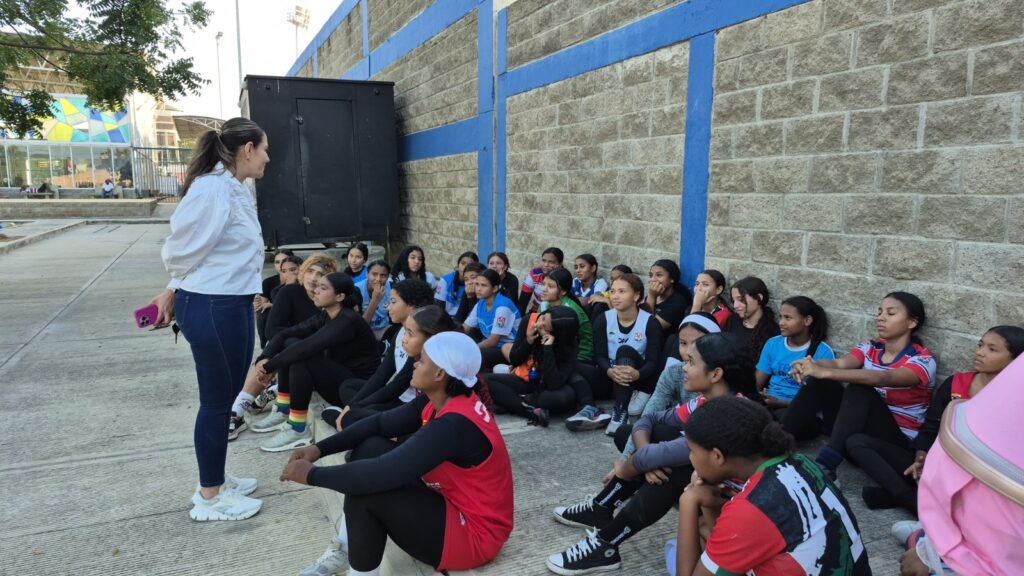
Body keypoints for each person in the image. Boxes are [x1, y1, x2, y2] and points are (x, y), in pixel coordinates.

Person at [281, 332, 513, 576]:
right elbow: (380, 424)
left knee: (368, 491)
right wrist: (319, 449)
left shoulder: (453, 424)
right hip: (452, 506)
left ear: (439, 374)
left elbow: (381, 473)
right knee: (370, 446)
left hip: (473, 536)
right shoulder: (442, 398)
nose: (414, 363)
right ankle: (345, 548)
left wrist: (312, 475)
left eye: (422, 360)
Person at [546, 333, 759, 575]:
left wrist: (628, 466)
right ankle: (601, 511)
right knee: (650, 439)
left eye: (691, 362)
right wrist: (646, 456)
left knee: (670, 472)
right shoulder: (704, 402)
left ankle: (606, 543)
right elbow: (650, 418)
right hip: (711, 488)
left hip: (737, 507)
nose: (683, 368)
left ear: (715, 374)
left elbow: (658, 455)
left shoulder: (726, 417)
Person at [147, 117, 269, 521]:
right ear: (247, 150)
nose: (268, 158)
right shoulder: (214, 189)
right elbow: (181, 248)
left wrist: (172, 286)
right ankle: (210, 497)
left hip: (227, 303)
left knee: (224, 397)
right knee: (217, 404)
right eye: (264, 149)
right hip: (214, 306)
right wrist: (175, 285)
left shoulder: (233, 187)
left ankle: (214, 475)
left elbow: (208, 250)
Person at [669, 396, 870, 576]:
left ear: (717, 456)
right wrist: (709, 505)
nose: (690, 458)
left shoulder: (751, 507)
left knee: (673, 551)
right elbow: (731, 542)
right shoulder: (800, 462)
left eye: (692, 451)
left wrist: (688, 500)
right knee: (700, 539)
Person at [853, 325, 1022, 513]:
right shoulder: (956, 383)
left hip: (976, 476)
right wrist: (921, 457)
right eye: (980, 345)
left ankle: (907, 498)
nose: (980, 353)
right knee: (857, 443)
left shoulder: (1014, 400)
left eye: (992, 349)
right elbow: (931, 428)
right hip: (936, 463)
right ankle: (914, 502)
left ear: (1016, 361)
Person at [792, 292, 937, 486]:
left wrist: (823, 372)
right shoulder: (871, 347)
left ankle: (826, 467)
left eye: (891, 313)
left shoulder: (923, 360)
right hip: (857, 433)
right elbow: (840, 363)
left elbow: (883, 378)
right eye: (880, 311)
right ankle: (773, 445)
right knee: (821, 382)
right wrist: (811, 364)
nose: (881, 317)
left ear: (911, 322)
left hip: (894, 443)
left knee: (860, 389)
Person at [903, 354, 1024, 576]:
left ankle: (936, 542)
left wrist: (928, 552)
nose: (980, 352)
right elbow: (939, 432)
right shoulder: (960, 383)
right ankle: (936, 536)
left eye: (991, 349)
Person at [250, 272, 380, 452]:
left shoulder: (347, 320)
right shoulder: (326, 315)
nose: (316, 291)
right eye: (317, 286)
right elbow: (285, 334)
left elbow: (307, 348)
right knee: (291, 343)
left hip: (355, 389)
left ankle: (298, 428)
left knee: (303, 358)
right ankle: (283, 408)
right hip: (338, 378)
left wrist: (269, 367)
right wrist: (263, 359)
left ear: (340, 296)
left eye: (323, 288)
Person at [228, 254, 335, 439]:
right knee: (280, 347)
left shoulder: (329, 298)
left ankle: (279, 401)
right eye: (310, 271)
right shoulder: (290, 292)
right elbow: (273, 329)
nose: (313, 278)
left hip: (318, 355)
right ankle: (237, 412)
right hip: (289, 351)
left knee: (288, 346)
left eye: (320, 274)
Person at [329, 289, 451, 430]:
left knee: (359, 415)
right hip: (404, 402)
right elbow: (382, 375)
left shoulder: (426, 352)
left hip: (408, 403)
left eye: (393, 302)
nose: (388, 307)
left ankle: (353, 419)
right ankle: (354, 417)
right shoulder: (401, 335)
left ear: (411, 307)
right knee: (348, 387)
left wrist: (356, 408)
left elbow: (396, 386)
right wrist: (353, 406)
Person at [618, 313, 720, 457]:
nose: (688, 351)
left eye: (697, 343)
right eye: (683, 343)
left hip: (709, 452)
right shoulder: (674, 372)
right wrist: (633, 459)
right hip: (682, 436)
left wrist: (644, 460)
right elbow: (649, 414)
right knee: (627, 433)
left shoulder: (722, 376)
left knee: (659, 433)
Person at [587, 273, 663, 435]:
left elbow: (653, 362)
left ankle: (620, 411)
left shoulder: (650, 322)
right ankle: (588, 409)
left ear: (636, 296)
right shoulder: (603, 319)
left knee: (625, 350)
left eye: (622, 291)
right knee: (576, 367)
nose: (615, 296)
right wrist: (609, 371)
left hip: (639, 377)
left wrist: (637, 374)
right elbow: (599, 356)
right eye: (613, 291)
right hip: (611, 374)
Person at [488, 306, 582, 427]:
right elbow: (515, 360)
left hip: (545, 389)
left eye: (545, 326)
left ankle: (512, 401)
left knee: (565, 398)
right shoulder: (529, 320)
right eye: (542, 318)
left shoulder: (569, 344)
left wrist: (548, 348)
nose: (539, 324)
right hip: (524, 380)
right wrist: (528, 341)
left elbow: (553, 384)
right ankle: (530, 411)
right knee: (485, 380)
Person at [755, 296, 835, 423]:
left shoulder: (822, 351)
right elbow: (757, 381)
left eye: (788, 318)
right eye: (781, 317)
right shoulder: (773, 344)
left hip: (800, 411)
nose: (781, 322)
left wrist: (780, 403)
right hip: (770, 404)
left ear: (807, 320)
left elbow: (819, 399)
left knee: (779, 422)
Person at [464, 269, 521, 369]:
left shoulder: (503, 306)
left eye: (483, 285)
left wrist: (471, 348)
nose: (478, 289)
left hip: (506, 348)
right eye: (477, 284)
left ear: (495, 288)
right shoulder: (481, 303)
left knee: (476, 355)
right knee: (467, 337)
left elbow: (493, 341)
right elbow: (465, 327)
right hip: (490, 344)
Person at [539, 268, 594, 363]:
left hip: (579, 358)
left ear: (563, 291)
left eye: (550, 286)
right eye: (543, 284)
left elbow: (577, 344)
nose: (544, 289)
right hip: (555, 351)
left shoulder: (570, 311)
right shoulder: (544, 304)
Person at [723, 276, 779, 361]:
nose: (735, 306)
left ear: (759, 298)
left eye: (741, 300)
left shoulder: (773, 332)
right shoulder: (732, 320)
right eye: (733, 301)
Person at [255, 248, 295, 348]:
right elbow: (261, 306)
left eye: (284, 261)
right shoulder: (268, 282)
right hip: (274, 317)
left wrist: (272, 304)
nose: (280, 265)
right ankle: (264, 344)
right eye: (277, 262)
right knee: (264, 313)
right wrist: (257, 304)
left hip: (293, 314)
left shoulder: (299, 280)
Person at [642, 259, 693, 335]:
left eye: (659, 275)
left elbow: (648, 328)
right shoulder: (651, 296)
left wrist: (652, 296)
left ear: (672, 279)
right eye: (651, 275)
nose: (653, 279)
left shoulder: (678, 303)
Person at [518, 246, 563, 315]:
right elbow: (523, 302)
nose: (546, 265)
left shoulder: (564, 277)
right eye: (544, 260)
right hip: (536, 311)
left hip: (555, 313)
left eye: (551, 262)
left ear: (559, 264)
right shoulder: (534, 274)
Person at [435, 251, 479, 317]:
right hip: (446, 318)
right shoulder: (446, 280)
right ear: (458, 265)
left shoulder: (477, 282)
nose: (465, 267)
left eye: (470, 265)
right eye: (463, 263)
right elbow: (439, 307)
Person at [356, 260, 392, 339]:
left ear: (388, 277)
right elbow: (361, 326)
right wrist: (375, 300)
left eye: (383, 275)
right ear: (367, 274)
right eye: (374, 274)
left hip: (384, 328)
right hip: (363, 332)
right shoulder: (356, 290)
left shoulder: (391, 287)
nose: (378, 279)